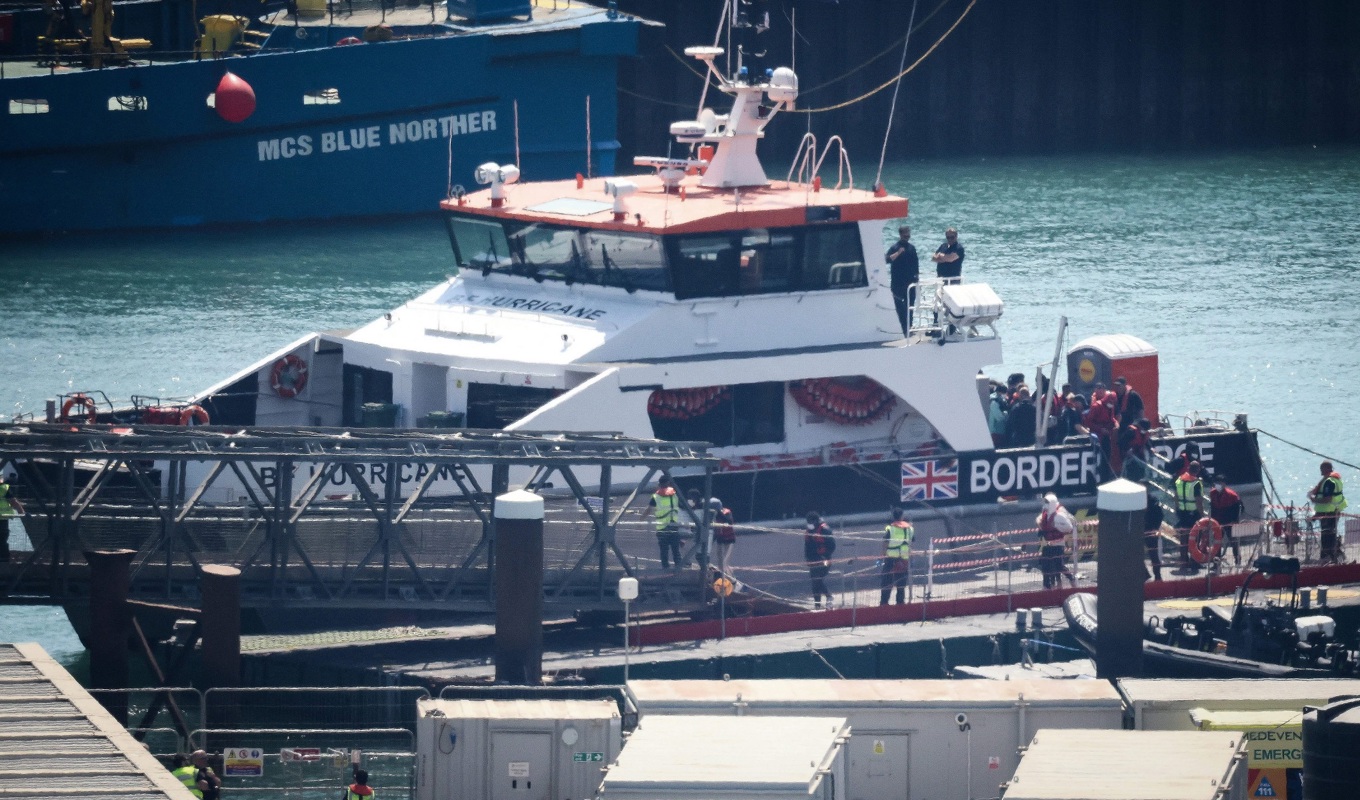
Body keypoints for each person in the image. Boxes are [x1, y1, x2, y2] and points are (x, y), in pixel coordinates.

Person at [1308, 461, 1347, 564]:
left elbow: (1327, 499)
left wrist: (1314, 500)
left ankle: (1327, 556)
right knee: (1331, 534)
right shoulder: (1336, 479)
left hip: (1329, 512)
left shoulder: (1329, 481)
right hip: (1333, 511)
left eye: (1322, 468)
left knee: (1327, 535)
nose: (1320, 471)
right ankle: (1334, 555)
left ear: (1326, 469)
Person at [1036, 493, 1078, 588]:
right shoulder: (1045, 514)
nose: (1045, 504)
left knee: (1059, 566)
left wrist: (1056, 526)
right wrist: (1040, 524)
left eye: (1047, 502)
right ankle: (1047, 586)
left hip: (1058, 544)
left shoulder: (1059, 516)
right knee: (1045, 566)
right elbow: (1038, 519)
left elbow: (1069, 528)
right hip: (1047, 544)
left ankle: (1071, 579)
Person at [885, 225, 919, 335]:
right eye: (905, 234)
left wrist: (917, 280)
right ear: (900, 234)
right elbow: (887, 259)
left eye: (908, 233)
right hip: (897, 284)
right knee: (900, 307)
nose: (907, 236)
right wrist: (898, 253)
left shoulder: (912, 248)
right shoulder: (895, 247)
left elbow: (916, 265)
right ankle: (902, 328)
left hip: (910, 283)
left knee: (910, 306)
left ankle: (909, 327)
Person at [1173, 461, 1205, 573]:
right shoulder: (1196, 483)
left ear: (1188, 468)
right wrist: (1202, 516)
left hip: (1182, 513)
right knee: (1195, 539)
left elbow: (1175, 496)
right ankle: (1194, 563)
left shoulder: (1179, 480)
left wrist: (1177, 510)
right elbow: (1199, 501)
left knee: (1183, 540)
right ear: (1198, 470)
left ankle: (1183, 563)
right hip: (1194, 514)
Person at [879, 507, 914, 605]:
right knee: (901, 583)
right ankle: (900, 602)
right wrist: (911, 557)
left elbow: (885, 543)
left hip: (890, 558)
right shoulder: (910, 529)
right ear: (902, 516)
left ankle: (884, 603)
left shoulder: (890, 529)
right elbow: (911, 544)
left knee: (886, 582)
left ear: (893, 517)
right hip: (904, 558)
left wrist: (881, 556)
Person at [647, 474, 682, 570]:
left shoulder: (656, 496)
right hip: (673, 525)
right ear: (669, 483)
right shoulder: (675, 494)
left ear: (659, 484)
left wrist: (641, 518)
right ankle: (678, 567)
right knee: (676, 550)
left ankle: (665, 568)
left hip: (662, 527)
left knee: (664, 550)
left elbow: (649, 509)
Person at [803, 511, 836, 609]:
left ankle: (829, 596)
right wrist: (807, 559)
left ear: (816, 521)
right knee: (814, 582)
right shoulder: (809, 531)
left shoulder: (825, 530)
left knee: (817, 579)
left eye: (810, 521)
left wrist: (825, 556)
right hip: (813, 560)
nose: (809, 524)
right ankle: (817, 605)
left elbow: (832, 546)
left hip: (825, 560)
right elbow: (807, 546)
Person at [1208, 476, 1244, 567]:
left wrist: (1234, 521)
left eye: (1219, 483)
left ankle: (1237, 560)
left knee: (1233, 541)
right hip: (1217, 521)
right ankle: (1217, 562)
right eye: (1216, 483)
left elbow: (1239, 509)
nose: (1217, 485)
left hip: (1229, 520)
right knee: (1217, 542)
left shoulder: (1232, 495)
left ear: (1224, 484)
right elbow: (1212, 507)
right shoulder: (1213, 493)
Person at [708, 497, 736, 578]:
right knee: (720, 560)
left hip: (729, 539)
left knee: (724, 562)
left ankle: (728, 579)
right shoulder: (713, 516)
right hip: (720, 539)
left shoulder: (726, 512)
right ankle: (723, 577)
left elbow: (729, 521)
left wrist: (720, 513)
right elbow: (714, 529)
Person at [0, 473, 23, 563]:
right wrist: (22, 513)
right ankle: (4, 561)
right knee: (2, 541)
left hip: (2, 519)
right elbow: (14, 502)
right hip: (2, 519)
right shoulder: (4, 488)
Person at [1144, 484, 1164, 581]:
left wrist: (1155, 528)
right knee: (1135, 553)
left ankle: (1158, 575)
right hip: (1139, 529)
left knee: (1154, 555)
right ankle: (1145, 574)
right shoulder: (1136, 499)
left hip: (1151, 530)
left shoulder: (1153, 500)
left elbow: (1160, 515)